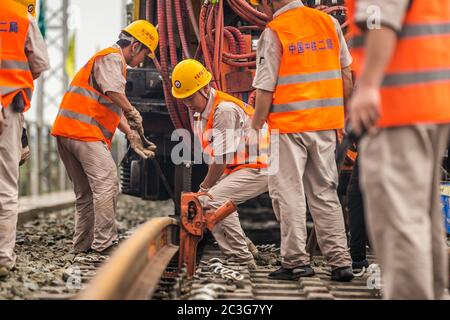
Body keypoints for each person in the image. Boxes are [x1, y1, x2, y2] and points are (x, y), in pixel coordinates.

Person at [347, 0, 450, 299]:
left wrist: (368, 86)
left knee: (399, 223)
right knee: (420, 217)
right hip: (431, 102)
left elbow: (380, 18)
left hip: (398, 106)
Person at [250, 0, 354, 281]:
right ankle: (340, 263)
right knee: (324, 192)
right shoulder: (328, 23)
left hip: (288, 127)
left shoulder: (275, 31)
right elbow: (346, 74)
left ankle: (296, 262)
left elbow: (264, 87)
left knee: (288, 193)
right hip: (325, 124)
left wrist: (255, 125)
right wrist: (341, 116)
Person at [51, 20, 158, 255]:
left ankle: (81, 246)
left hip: (66, 132)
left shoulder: (108, 61)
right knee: (108, 182)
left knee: (86, 193)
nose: (142, 61)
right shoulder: (112, 57)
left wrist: (130, 133)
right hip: (83, 132)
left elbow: (108, 101)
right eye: (144, 55)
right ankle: (104, 243)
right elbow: (114, 92)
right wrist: (132, 111)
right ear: (135, 46)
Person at [171, 59, 270, 269]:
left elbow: (221, 158)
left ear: (205, 88)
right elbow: (216, 156)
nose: (187, 103)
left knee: (211, 200)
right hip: (242, 165)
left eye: (190, 97)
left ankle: (241, 259)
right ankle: (247, 250)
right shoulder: (201, 112)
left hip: (260, 165)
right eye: (183, 99)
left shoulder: (224, 110)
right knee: (211, 200)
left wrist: (204, 188)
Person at [0, 0, 50, 278]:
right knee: (6, 185)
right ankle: (3, 258)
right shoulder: (22, 16)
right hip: (9, 105)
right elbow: (40, 65)